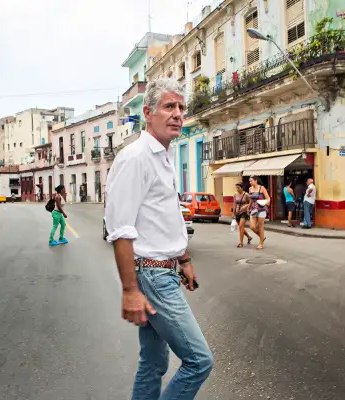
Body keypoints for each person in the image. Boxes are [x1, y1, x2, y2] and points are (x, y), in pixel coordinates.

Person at [105, 79, 213, 399]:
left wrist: (184, 259)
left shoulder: (163, 156)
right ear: (148, 113)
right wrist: (129, 290)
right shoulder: (135, 157)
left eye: (181, 108)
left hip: (162, 269)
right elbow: (121, 230)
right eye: (169, 106)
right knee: (199, 361)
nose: (178, 114)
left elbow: (165, 218)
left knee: (153, 362)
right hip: (152, 275)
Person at [249, 176, 270, 249]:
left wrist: (267, 202)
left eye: (251, 181)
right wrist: (248, 207)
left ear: (256, 181)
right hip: (253, 209)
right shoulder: (250, 189)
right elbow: (251, 200)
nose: (250, 182)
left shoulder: (262, 188)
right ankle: (262, 237)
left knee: (260, 227)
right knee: (252, 226)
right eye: (250, 181)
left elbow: (268, 198)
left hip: (261, 208)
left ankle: (261, 243)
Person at [233, 182, 252, 247]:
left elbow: (251, 202)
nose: (237, 189)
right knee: (241, 227)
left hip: (244, 212)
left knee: (241, 226)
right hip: (237, 212)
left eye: (238, 188)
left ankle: (241, 243)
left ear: (242, 188)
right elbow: (234, 204)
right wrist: (233, 213)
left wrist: (246, 206)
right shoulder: (235, 194)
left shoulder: (246, 194)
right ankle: (249, 237)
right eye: (236, 188)